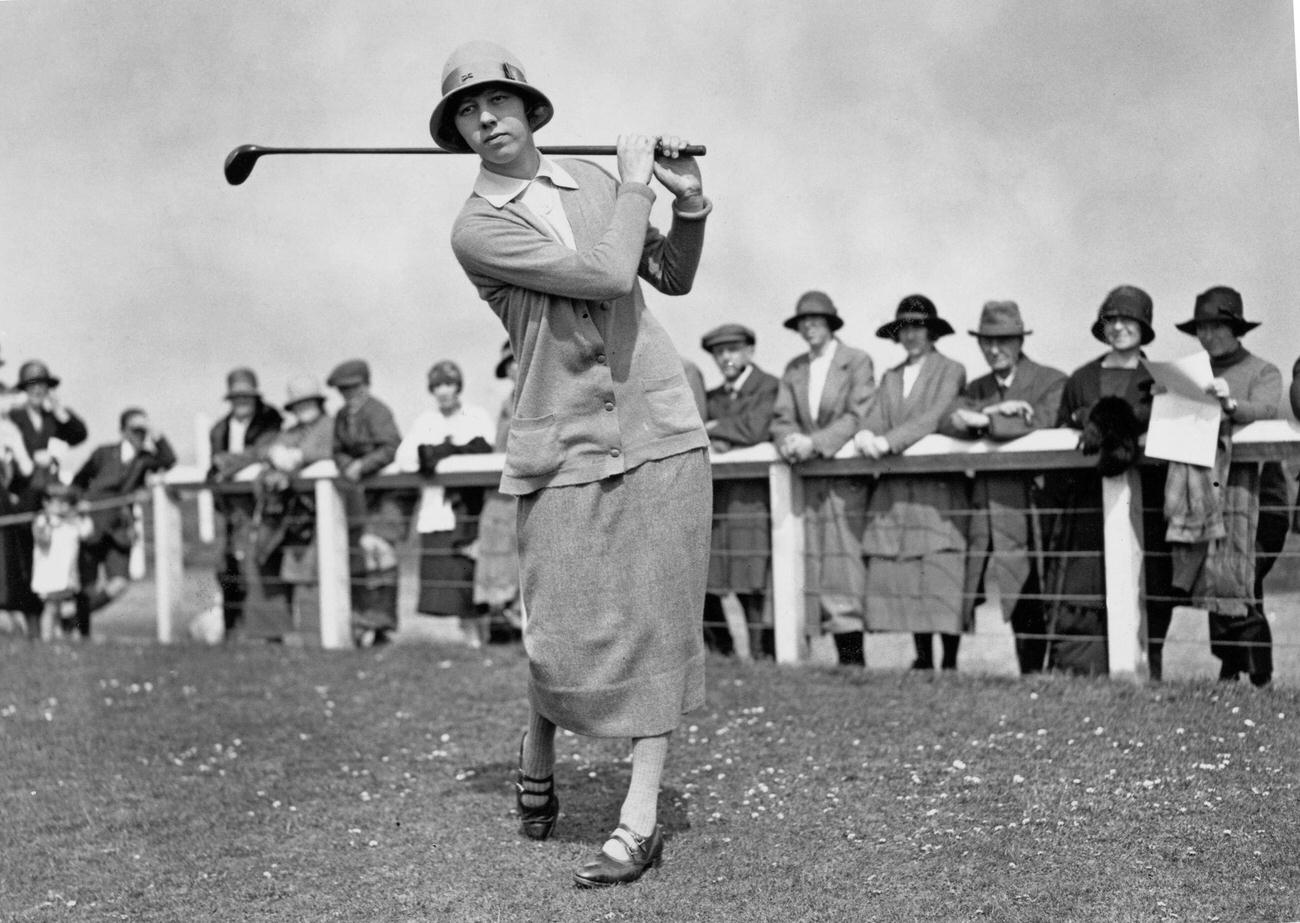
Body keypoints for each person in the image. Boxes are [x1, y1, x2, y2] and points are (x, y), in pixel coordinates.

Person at [436, 40, 712, 886]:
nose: (486, 119)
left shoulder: (592, 183)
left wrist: (691, 206)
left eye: (498, 102)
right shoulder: (477, 228)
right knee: (558, 628)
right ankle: (540, 736)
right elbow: (602, 273)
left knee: (660, 619)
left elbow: (666, 275)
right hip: (559, 441)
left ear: (529, 109)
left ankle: (639, 818)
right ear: (460, 131)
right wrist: (634, 182)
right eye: (467, 112)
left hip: (658, 422)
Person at [1040, 285, 1175, 678]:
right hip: (1088, 505)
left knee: (1147, 582)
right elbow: (1062, 432)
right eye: (1111, 320)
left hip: (1147, 500)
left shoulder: (1160, 379)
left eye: (1127, 319)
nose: (1118, 327)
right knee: (1086, 581)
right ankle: (1084, 668)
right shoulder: (1082, 378)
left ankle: (1150, 668)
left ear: (1144, 326)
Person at [939, 301, 1066, 674]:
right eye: (987, 342)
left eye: (1003, 341)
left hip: (1031, 506)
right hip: (984, 506)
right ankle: (948, 667)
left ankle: (1035, 673)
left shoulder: (1050, 380)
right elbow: (947, 420)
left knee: (1031, 587)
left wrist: (982, 422)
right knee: (968, 584)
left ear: (1019, 341)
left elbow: (1041, 421)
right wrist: (991, 415)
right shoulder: (977, 388)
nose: (994, 350)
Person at [1169, 287, 1281, 686]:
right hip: (1208, 493)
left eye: (1216, 325)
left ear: (1235, 328)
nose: (1207, 335)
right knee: (1218, 573)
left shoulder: (1262, 371)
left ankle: (1256, 672)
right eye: (1201, 327)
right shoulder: (1192, 375)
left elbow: (1267, 410)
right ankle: (1234, 669)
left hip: (1259, 496)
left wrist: (1231, 405)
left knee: (1241, 575)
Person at [854, 295, 968, 670]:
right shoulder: (891, 377)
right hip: (899, 489)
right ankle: (922, 657)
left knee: (941, 569)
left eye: (918, 326)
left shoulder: (950, 369)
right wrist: (868, 434)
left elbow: (935, 415)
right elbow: (874, 417)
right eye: (905, 327)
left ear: (932, 331)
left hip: (937, 489)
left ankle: (949, 661)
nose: (912, 335)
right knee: (908, 568)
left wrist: (890, 441)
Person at [770, 291, 875, 666]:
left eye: (817, 320)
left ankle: (853, 660)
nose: (810, 327)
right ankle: (807, 655)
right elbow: (782, 417)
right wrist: (789, 441)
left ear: (831, 324)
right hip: (806, 482)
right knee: (806, 561)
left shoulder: (856, 362)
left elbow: (857, 413)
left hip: (843, 481)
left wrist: (815, 443)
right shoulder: (795, 369)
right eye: (804, 321)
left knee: (843, 567)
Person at [395, 360, 495, 644]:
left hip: (469, 506)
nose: (443, 391)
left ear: (458, 386)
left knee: (471, 571)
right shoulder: (425, 421)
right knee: (448, 577)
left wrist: (447, 450)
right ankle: (469, 638)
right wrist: (437, 450)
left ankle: (482, 634)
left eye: (448, 384)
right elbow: (405, 458)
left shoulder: (475, 415)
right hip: (438, 510)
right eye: (437, 385)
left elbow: (484, 448)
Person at [700, 323, 780, 658]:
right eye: (719, 353)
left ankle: (763, 654)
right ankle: (724, 653)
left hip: (752, 498)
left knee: (753, 577)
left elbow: (755, 428)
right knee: (710, 575)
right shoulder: (713, 398)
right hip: (719, 498)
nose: (726, 358)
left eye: (732, 350)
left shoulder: (769, 387)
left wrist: (719, 429)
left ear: (749, 351)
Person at [242, 375, 335, 642]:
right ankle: (276, 635)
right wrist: (273, 456)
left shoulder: (329, 426)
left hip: (320, 515)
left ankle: (320, 637)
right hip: (287, 517)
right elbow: (267, 450)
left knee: (313, 576)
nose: (302, 408)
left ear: (318, 402)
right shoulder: (291, 432)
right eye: (297, 403)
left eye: (308, 402)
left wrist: (300, 458)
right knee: (267, 564)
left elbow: (333, 451)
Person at [71, 407, 177, 638]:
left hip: (119, 529)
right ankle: (81, 633)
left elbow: (169, 460)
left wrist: (155, 433)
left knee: (119, 583)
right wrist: (79, 507)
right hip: (92, 526)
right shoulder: (103, 453)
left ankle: (71, 620)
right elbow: (78, 481)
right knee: (86, 586)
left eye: (143, 430)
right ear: (123, 431)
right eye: (135, 429)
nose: (140, 434)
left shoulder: (146, 459)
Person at [5, 360, 87, 637]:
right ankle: (34, 626)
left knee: (57, 559)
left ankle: (55, 625)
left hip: (51, 499)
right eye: (32, 386)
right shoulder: (15, 418)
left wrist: (61, 412)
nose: (38, 390)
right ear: (24, 390)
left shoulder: (55, 418)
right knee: (26, 560)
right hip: (25, 497)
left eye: (42, 385)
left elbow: (79, 435)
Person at [328, 359, 404, 648]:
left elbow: (391, 446)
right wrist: (348, 464)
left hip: (388, 496)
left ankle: (382, 624)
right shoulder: (340, 417)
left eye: (354, 388)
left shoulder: (378, 411)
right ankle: (364, 622)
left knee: (380, 552)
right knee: (360, 556)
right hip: (360, 498)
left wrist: (363, 465)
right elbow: (336, 451)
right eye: (343, 390)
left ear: (365, 386)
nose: (348, 395)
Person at [208, 367, 284, 638]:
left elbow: (264, 451)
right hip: (229, 509)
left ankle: (269, 633)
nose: (241, 402)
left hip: (261, 505)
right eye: (236, 397)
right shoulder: (219, 429)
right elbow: (214, 466)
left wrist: (229, 463)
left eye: (246, 396)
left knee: (261, 563)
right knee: (226, 566)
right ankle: (233, 629)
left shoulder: (270, 420)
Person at [472, 342, 524, 641]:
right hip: (503, 491)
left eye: (517, 361)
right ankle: (503, 616)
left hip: (530, 487)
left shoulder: (541, 393)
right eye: (509, 365)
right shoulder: (507, 403)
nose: (513, 369)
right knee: (497, 548)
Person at [30, 481, 92, 641]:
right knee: (51, 607)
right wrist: (51, 525)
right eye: (57, 502)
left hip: (67, 574)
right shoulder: (43, 520)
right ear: (47, 503)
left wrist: (81, 515)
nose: (62, 506)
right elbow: (42, 540)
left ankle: (56, 636)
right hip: (50, 574)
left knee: (59, 607)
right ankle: (46, 638)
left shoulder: (72, 522)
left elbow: (87, 532)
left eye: (65, 502)